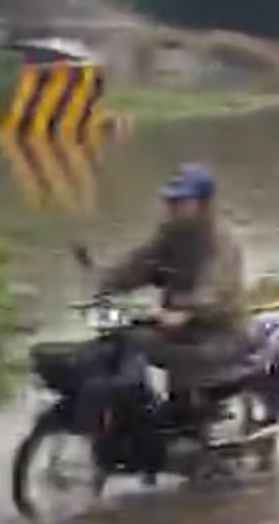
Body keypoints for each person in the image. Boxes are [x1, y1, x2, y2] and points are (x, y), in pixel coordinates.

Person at [99, 163, 249, 405]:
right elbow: (139, 264)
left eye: (181, 201)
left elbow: (215, 289)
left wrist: (188, 310)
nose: (172, 207)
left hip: (219, 331)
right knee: (124, 341)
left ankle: (187, 422)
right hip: (176, 326)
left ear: (203, 204)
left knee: (175, 356)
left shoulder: (222, 241)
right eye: (170, 201)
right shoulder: (169, 234)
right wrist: (107, 282)